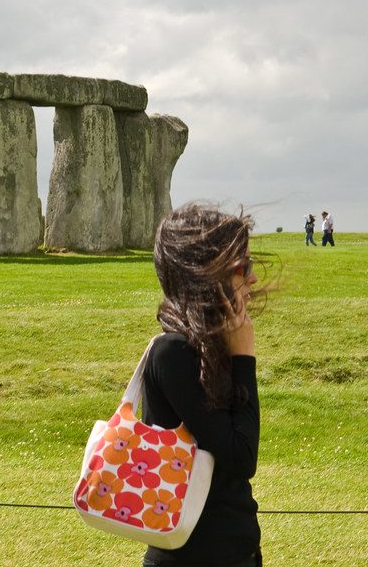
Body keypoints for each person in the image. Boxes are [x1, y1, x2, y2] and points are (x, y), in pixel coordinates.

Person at [142, 203, 262, 567]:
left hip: (234, 551)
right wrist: (244, 359)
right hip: (194, 558)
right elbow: (241, 456)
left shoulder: (206, 348)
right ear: (204, 274)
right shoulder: (173, 353)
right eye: (242, 268)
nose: (253, 278)